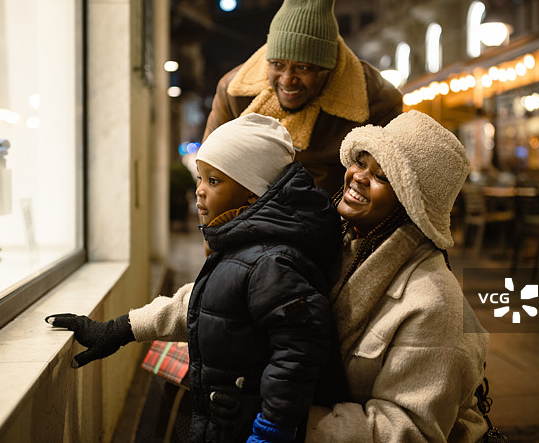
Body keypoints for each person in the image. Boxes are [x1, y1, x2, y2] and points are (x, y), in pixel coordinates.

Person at [46, 113, 341, 443]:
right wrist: (116, 330)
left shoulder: (272, 260)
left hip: (245, 429)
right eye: (200, 178)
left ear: (252, 192)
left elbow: (298, 353)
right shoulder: (243, 245)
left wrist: (272, 430)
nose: (199, 191)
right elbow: (207, 305)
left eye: (214, 181)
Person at [304, 110, 491, 442]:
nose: (359, 177)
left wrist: (284, 419)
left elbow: (407, 432)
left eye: (382, 175)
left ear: (410, 205)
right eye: (361, 162)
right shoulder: (338, 247)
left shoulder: (435, 305)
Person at [203, 0, 403, 195]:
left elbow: (386, 189)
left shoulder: (377, 99)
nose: (287, 79)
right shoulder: (234, 91)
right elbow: (209, 174)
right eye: (277, 64)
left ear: (328, 68)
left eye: (303, 68)